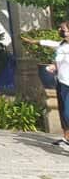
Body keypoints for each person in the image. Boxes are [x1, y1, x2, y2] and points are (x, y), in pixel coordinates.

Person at [32, 19, 69, 152]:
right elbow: (49, 43)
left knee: (67, 112)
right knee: (63, 110)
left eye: (63, 30)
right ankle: (66, 137)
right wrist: (34, 42)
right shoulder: (61, 45)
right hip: (62, 81)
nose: (60, 31)